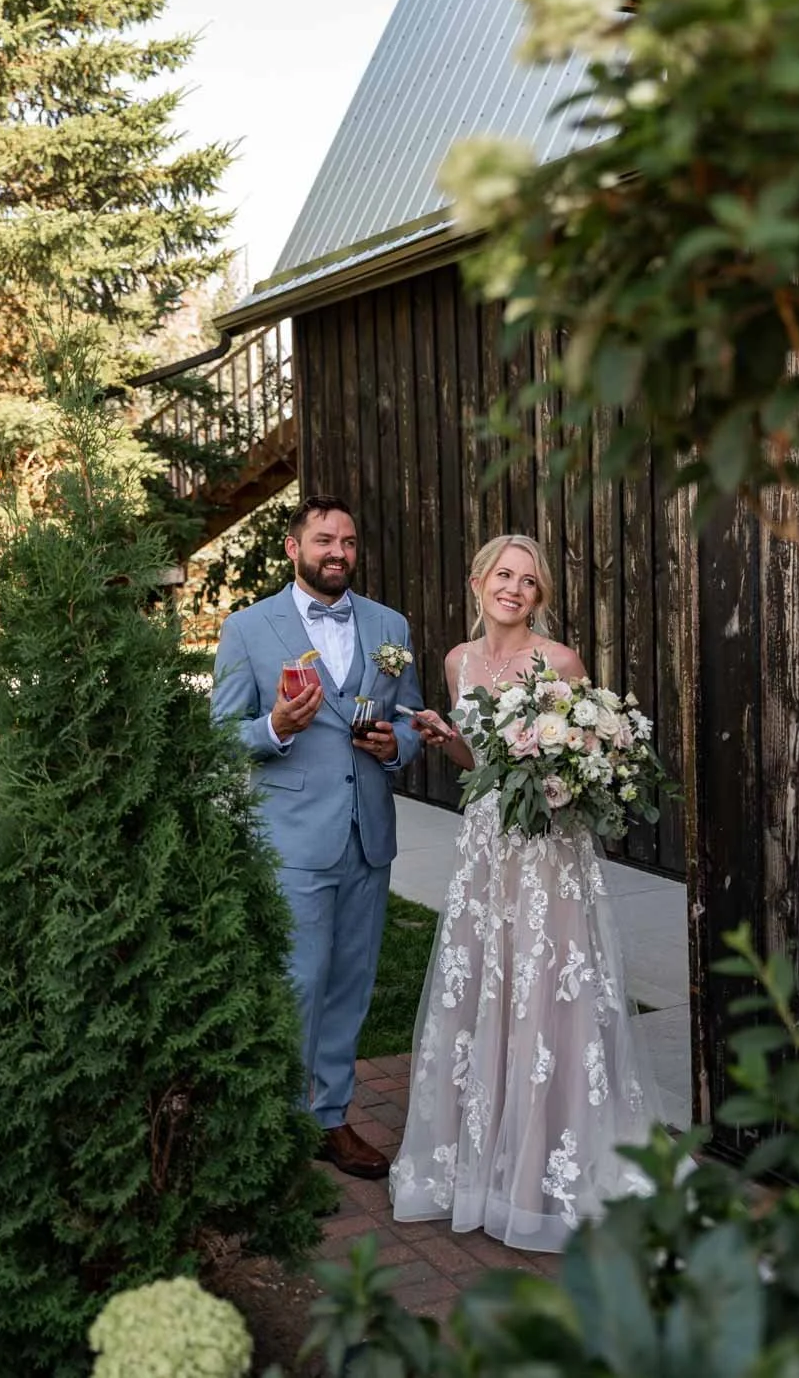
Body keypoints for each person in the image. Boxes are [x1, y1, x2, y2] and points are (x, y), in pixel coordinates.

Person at [389, 533, 664, 1249]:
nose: (514, 588)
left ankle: (552, 1162)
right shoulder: (457, 660)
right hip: (485, 848)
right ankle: (481, 1164)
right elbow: (473, 760)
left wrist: (559, 778)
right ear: (478, 581)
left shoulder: (560, 662)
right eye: (504, 575)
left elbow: (585, 759)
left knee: (547, 991)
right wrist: (446, 734)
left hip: (546, 852)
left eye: (530, 582)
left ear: (540, 598)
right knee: (483, 988)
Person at [211, 495, 423, 1180]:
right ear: (292, 548)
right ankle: (277, 1125)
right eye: (325, 539)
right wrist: (273, 728)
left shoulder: (390, 626)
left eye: (350, 542)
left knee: (351, 985)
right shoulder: (248, 629)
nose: (339, 552)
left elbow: (414, 715)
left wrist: (400, 744)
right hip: (294, 838)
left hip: (368, 834)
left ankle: (330, 1119)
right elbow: (219, 735)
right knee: (296, 983)